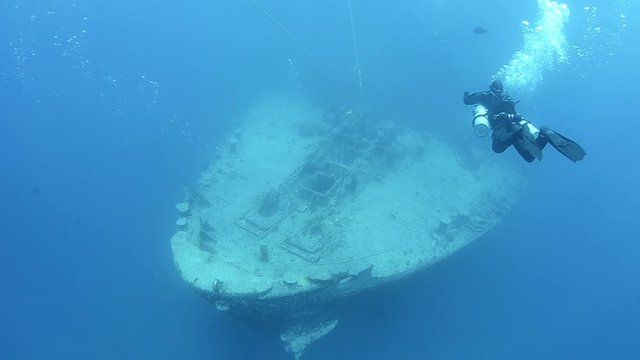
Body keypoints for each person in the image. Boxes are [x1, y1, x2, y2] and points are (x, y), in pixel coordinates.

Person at [463, 80, 586, 162]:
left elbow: (467, 100)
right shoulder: (507, 97)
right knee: (529, 157)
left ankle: (520, 133)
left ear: (492, 87)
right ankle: (544, 135)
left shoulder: (488, 95)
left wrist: (466, 94)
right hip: (518, 124)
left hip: (501, 125)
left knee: (497, 148)